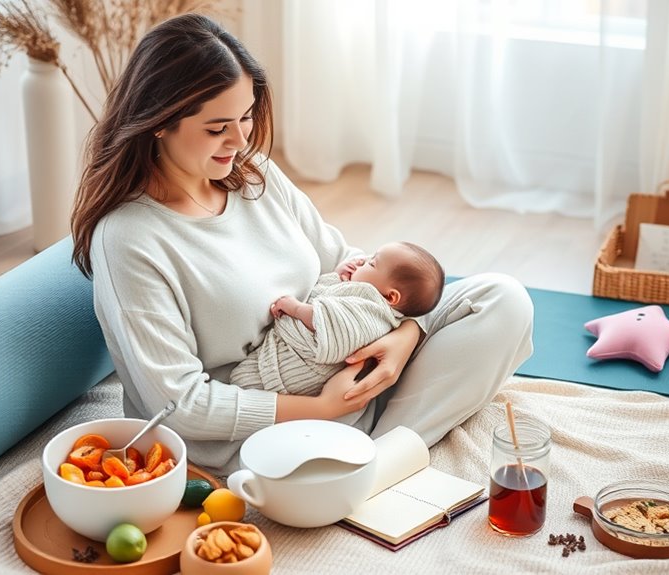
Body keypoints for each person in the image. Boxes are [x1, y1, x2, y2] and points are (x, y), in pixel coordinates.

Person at [70, 14, 535, 473]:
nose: (238, 140)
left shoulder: (255, 177)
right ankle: (377, 458)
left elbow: (347, 266)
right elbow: (181, 404)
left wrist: (403, 336)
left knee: (502, 299)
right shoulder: (130, 239)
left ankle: (378, 456)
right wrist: (322, 410)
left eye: (246, 118)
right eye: (217, 128)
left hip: (351, 379)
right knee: (308, 460)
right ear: (159, 122)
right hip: (263, 435)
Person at [230, 241, 445, 397]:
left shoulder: (374, 312)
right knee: (239, 382)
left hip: (281, 374)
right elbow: (327, 298)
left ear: (390, 296)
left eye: (372, 263)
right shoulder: (366, 298)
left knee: (242, 384)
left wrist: (295, 308)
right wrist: (337, 276)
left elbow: (330, 323)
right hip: (278, 360)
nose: (363, 260)